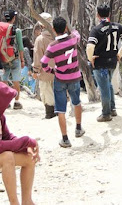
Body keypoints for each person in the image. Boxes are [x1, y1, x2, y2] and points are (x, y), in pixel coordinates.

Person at [40, 16, 85, 148]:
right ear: (65, 27)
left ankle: (65, 138)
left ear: (53, 29)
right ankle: (78, 128)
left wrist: (51, 70)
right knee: (76, 102)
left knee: (61, 110)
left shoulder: (52, 46)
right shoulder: (73, 39)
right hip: (74, 77)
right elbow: (76, 33)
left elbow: (43, 62)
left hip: (60, 79)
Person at [86, 4, 122, 122]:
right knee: (108, 84)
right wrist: (120, 53)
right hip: (113, 61)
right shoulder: (117, 27)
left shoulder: (96, 30)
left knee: (104, 87)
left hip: (100, 62)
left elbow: (90, 46)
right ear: (109, 14)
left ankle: (106, 114)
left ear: (97, 15)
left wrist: (90, 58)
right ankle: (112, 109)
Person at [1, 9, 26, 110]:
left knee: (4, 80)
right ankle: (16, 102)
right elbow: (20, 47)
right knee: (16, 80)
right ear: (13, 18)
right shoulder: (18, 31)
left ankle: (6, 102)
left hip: (3, 58)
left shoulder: (0, 29)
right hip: (14, 58)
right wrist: (22, 60)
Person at [33, 13, 55, 119]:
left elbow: (38, 57)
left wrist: (35, 70)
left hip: (45, 71)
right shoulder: (58, 37)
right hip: (59, 71)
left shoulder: (40, 39)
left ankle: (50, 113)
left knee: (46, 92)